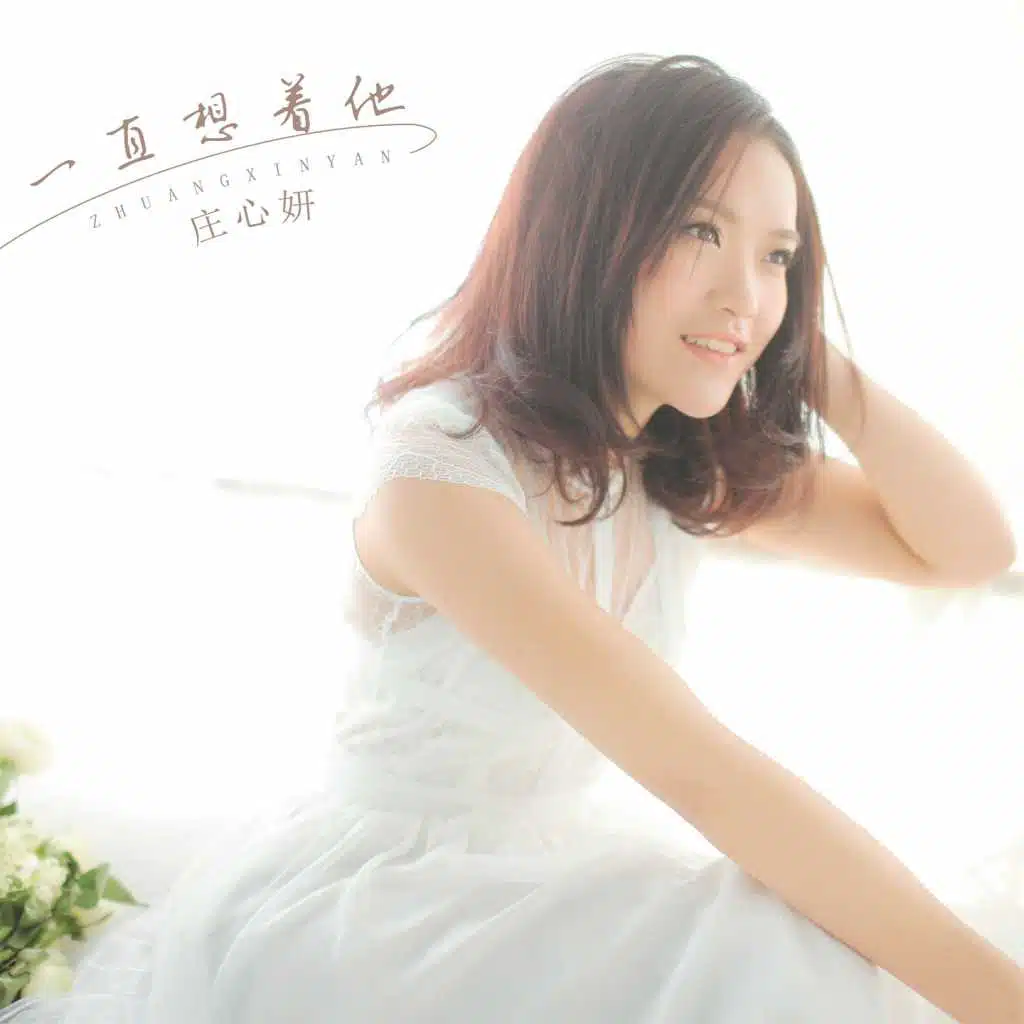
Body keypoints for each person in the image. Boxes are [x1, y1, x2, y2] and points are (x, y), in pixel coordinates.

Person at [4, 52, 1020, 1023]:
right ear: (589, 233)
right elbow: (706, 777)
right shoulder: (441, 465)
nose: (744, 290)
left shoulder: (669, 457)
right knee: (774, 951)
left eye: (778, 255)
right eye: (699, 231)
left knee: (792, 947)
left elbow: (968, 550)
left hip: (537, 879)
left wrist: (792, 349)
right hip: (385, 914)